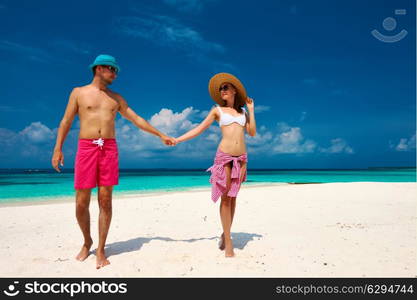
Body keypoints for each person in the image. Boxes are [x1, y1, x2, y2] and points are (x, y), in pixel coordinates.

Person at [51, 54, 176, 269]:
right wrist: (58, 148)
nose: (115, 74)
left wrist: (160, 134)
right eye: (112, 69)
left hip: (108, 149)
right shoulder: (78, 93)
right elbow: (66, 120)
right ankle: (86, 241)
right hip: (86, 147)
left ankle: (100, 248)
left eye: (116, 70)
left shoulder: (116, 98)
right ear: (99, 68)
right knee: (81, 201)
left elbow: (136, 119)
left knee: (105, 200)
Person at [175, 73, 256, 257]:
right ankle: (228, 240)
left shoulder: (242, 112)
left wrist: (251, 110)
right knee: (225, 198)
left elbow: (252, 133)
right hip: (224, 157)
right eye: (221, 89)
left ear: (234, 90)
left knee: (233, 198)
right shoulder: (217, 110)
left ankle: (225, 233)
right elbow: (199, 128)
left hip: (241, 158)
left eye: (225, 87)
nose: (223, 91)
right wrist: (177, 139)